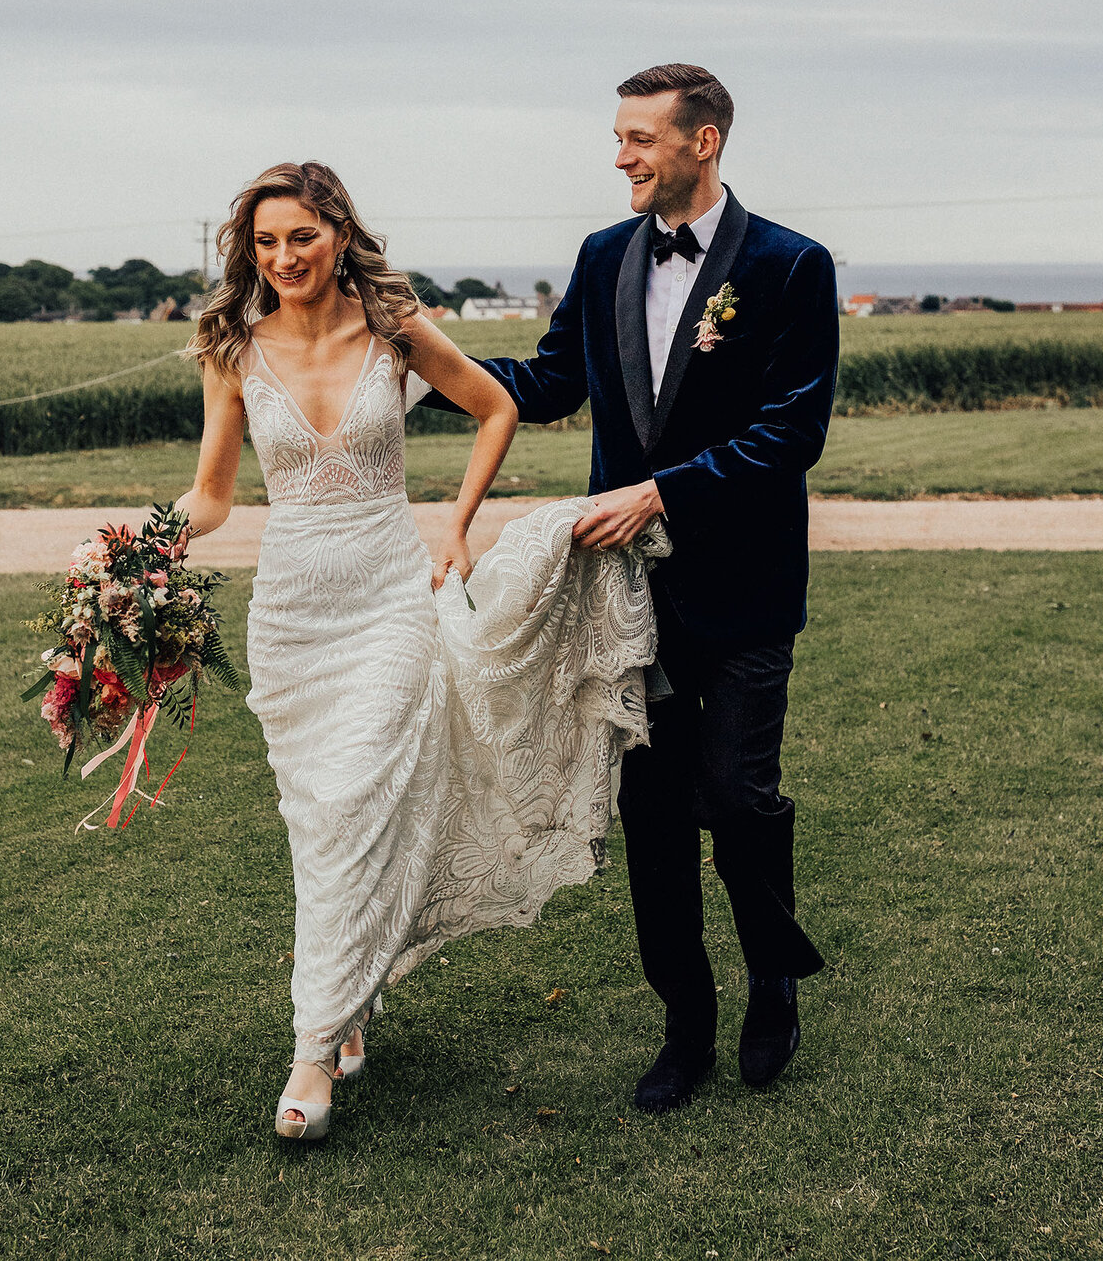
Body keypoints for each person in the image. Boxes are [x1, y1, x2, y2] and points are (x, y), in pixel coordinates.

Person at [175, 161, 670, 1142]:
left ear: (337, 234)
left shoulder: (393, 326)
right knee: (319, 821)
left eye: (301, 239)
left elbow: (497, 407)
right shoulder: (232, 346)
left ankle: (311, 1049)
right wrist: (145, 542)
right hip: (290, 616)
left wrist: (456, 523)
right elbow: (215, 494)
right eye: (266, 243)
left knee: (358, 793)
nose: (283, 259)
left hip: (387, 602)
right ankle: (350, 997)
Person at [425, 63, 839, 1112]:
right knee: (654, 815)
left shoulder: (792, 266)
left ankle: (771, 977)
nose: (620, 156)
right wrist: (415, 359)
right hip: (624, 604)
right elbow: (547, 382)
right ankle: (684, 1025)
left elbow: (790, 431)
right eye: (617, 136)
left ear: (703, 141)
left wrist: (660, 492)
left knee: (739, 800)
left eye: (639, 137)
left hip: (743, 587)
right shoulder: (603, 255)